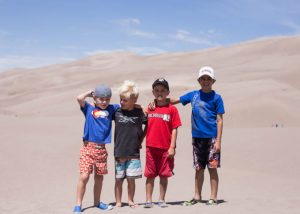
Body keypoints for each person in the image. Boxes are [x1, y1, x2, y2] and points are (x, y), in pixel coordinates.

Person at [172, 66, 225, 206]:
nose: (206, 81)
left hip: (212, 138)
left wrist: (218, 141)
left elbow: (220, 120)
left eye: (208, 79)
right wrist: (159, 100)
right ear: (199, 80)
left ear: (213, 81)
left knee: (212, 168)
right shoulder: (193, 95)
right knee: (198, 168)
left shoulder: (217, 98)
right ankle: (197, 196)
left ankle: (213, 197)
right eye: (203, 79)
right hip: (197, 138)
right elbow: (174, 100)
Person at [73, 85, 118, 213]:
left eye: (107, 99)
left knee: (99, 177)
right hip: (88, 148)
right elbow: (79, 98)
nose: (104, 102)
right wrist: (89, 93)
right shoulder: (89, 108)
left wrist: (140, 107)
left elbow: (126, 105)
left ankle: (97, 202)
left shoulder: (112, 109)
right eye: (101, 99)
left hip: (102, 150)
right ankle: (78, 205)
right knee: (84, 176)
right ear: (95, 98)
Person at [144, 78, 182, 208]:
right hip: (150, 147)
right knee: (150, 175)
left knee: (164, 175)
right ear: (153, 92)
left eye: (162, 90)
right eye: (157, 90)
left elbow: (175, 128)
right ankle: (148, 200)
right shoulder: (149, 108)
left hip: (166, 148)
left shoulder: (172, 110)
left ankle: (161, 199)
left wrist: (172, 147)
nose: (159, 93)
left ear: (168, 92)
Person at [113, 80, 147, 208]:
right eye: (121, 99)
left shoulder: (139, 113)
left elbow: (148, 124)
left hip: (133, 152)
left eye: (125, 100)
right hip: (119, 152)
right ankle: (118, 201)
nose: (122, 102)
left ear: (134, 100)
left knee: (131, 179)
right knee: (118, 179)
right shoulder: (116, 112)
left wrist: (141, 139)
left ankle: (130, 200)